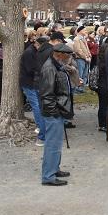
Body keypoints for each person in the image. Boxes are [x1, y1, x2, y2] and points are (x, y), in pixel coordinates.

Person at [39, 43, 74, 186]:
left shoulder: (56, 65)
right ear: (59, 54)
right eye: (67, 55)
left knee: (56, 143)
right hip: (53, 112)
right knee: (52, 144)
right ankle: (48, 175)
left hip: (57, 110)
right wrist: (54, 112)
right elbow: (47, 94)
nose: (69, 58)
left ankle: (54, 168)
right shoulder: (49, 68)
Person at [21, 35, 47, 146]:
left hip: (34, 82)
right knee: (36, 106)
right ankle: (40, 127)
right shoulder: (29, 53)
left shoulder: (35, 52)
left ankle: (40, 125)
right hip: (29, 83)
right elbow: (30, 69)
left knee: (38, 105)